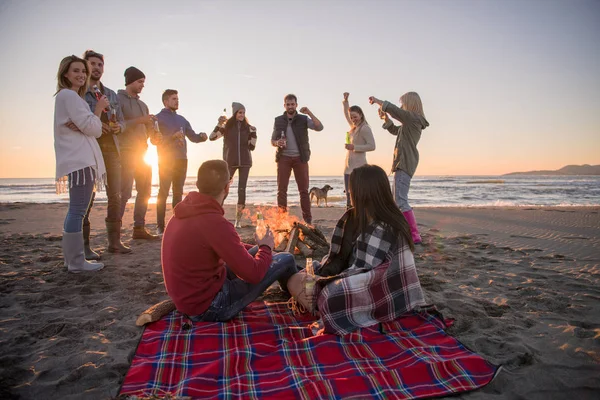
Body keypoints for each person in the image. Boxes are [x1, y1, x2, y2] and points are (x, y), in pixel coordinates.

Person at [287, 164, 426, 335]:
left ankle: (318, 306)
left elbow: (363, 270)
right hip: (360, 277)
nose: (348, 193)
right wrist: (318, 275)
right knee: (296, 278)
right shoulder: (355, 218)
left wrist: (323, 282)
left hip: (384, 287)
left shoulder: (385, 226)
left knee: (330, 296)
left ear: (364, 192)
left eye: (351, 189)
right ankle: (316, 303)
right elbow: (338, 257)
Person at [161, 159, 298, 322]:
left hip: (189, 298)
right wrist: (266, 248)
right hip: (208, 308)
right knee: (286, 258)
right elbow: (253, 275)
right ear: (227, 187)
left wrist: (259, 247)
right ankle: (299, 293)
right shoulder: (215, 222)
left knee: (255, 251)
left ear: (198, 184)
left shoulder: (184, 212)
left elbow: (224, 247)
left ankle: (295, 284)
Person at [53, 55, 109, 273]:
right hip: (81, 160)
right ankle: (77, 262)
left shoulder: (66, 97)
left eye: (83, 71)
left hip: (76, 160)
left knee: (75, 210)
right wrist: (97, 110)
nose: (81, 75)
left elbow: (87, 127)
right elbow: (95, 130)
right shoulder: (70, 96)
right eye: (76, 70)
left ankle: (71, 260)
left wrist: (86, 123)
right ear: (65, 73)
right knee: (78, 210)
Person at [80, 50, 131, 256]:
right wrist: (99, 124)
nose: (97, 68)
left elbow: (121, 120)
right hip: (90, 148)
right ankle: (84, 246)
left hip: (113, 149)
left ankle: (114, 242)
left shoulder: (110, 93)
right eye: (92, 64)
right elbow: (81, 121)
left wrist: (119, 127)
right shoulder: (79, 93)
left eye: (100, 65)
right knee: (87, 198)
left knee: (115, 195)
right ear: (85, 66)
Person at [368, 92, 429, 244]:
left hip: (405, 162)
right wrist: (386, 119)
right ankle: (403, 231)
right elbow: (396, 131)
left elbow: (395, 110)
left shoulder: (413, 118)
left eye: (403, 104)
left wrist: (377, 101)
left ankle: (414, 234)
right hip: (401, 163)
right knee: (397, 200)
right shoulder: (408, 123)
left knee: (401, 200)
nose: (401, 107)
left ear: (410, 104)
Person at [154, 89, 208, 235]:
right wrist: (172, 137)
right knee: (163, 192)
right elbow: (155, 140)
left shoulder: (182, 120)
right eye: (173, 99)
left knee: (178, 193)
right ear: (165, 101)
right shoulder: (158, 119)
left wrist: (201, 137)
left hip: (181, 159)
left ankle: (175, 224)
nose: (177, 101)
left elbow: (193, 137)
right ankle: (160, 226)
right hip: (166, 159)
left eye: (177, 98)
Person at [117, 66, 159, 240]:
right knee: (124, 192)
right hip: (125, 152)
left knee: (145, 191)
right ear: (130, 81)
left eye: (143, 82)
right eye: (140, 81)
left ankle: (139, 228)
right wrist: (140, 120)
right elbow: (119, 125)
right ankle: (115, 231)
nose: (142, 85)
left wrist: (153, 129)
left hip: (143, 153)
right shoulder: (117, 99)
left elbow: (148, 131)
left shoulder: (143, 105)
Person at [270, 94, 323, 224]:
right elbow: (272, 140)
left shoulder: (303, 119)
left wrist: (309, 112)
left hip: (301, 158)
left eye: (292, 104)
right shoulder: (278, 120)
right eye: (288, 104)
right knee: (281, 191)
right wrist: (278, 143)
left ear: (296, 105)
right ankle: (282, 220)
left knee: (304, 191)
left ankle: (308, 220)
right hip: (284, 158)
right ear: (284, 106)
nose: (290, 106)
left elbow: (319, 127)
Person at [209, 102, 257, 228]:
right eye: (240, 112)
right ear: (235, 113)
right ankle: (216, 215)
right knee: (224, 188)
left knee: (242, 190)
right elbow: (212, 137)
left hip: (245, 162)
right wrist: (219, 124)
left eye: (243, 113)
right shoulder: (227, 127)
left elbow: (252, 147)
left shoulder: (249, 128)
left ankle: (238, 221)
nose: (242, 115)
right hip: (230, 161)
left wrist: (253, 134)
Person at [341, 92, 376, 209]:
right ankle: (350, 223)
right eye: (352, 117)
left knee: (359, 198)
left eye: (355, 117)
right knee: (349, 198)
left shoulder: (365, 128)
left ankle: (361, 222)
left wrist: (355, 147)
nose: (353, 119)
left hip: (359, 168)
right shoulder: (354, 128)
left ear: (361, 115)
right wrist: (346, 101)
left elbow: (372, 146)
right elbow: (347, 114)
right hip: (348, 168)